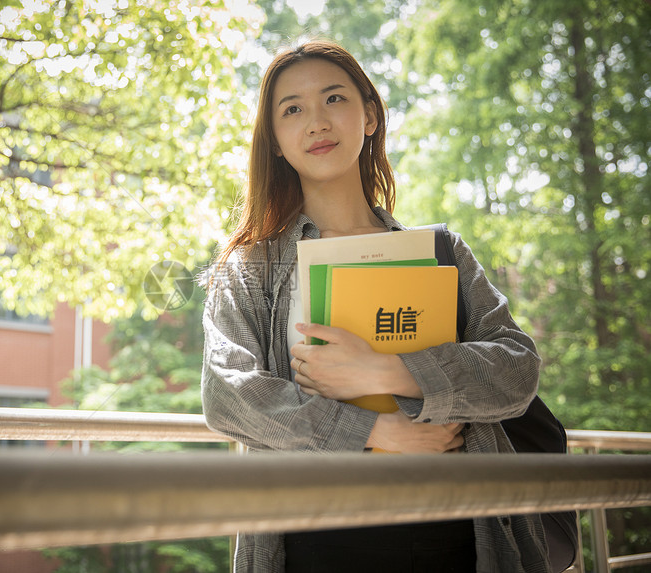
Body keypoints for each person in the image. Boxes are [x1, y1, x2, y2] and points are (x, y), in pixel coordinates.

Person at [200, 40, 550, 572]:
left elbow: (518, 369)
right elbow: (228, 395)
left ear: (368, 116)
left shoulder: (441, 252)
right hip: (316, 540)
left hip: (457, 532)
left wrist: (388, 369)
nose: (316, 121)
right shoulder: (251, 266)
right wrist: (371, 433)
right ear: (274, 140)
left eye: (334, 99)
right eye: (292, 109)